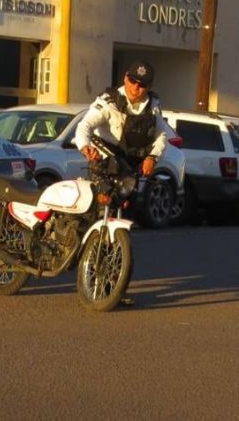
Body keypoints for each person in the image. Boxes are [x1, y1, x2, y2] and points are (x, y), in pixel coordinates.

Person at [74, 60, 167, 306]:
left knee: (122, 231)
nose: (136, 87)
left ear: (149, 86)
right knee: (93, 214)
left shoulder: (153, 105)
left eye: (142, 84)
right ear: (126, 78)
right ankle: (80, 259)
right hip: (104, 163)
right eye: (133, 81)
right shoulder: (109, 101)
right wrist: (85, 147)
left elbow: (162, 135)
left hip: (130, 169)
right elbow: (84, 126)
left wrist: (152, 156)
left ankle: (115, 285)